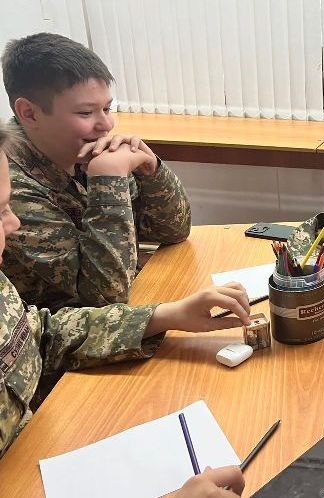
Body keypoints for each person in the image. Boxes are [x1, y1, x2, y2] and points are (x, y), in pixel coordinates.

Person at [0, 122, 250, 458]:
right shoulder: (28, 191)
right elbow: (105, 294)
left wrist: (165, 316)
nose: (13, 223)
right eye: (1, 212)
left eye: (107, 108)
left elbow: (43, 336)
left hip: (45, 439)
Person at [1, 32, 191, 310]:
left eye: (107, 108)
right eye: (86, 113)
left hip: (130, 310)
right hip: (71, 330)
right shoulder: (11, 189)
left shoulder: (87, 151)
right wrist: (108, 181)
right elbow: (105, 295)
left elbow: (172, 231)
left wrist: (151, 171)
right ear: (29, 113)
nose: (107, 125)